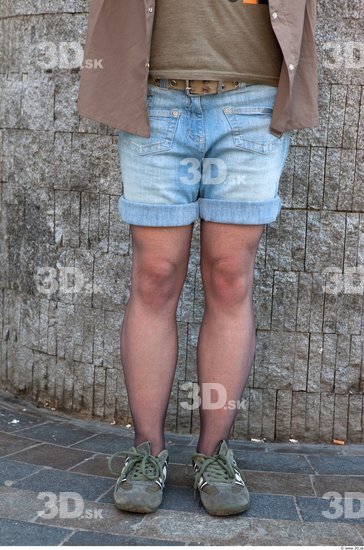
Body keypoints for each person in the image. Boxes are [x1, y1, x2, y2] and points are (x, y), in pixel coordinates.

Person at [77, 0, 319, 516]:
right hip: (154, 98)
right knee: (155, 277)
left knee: (231, 279)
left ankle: (214, 454)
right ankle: (148, 452)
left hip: (253, 99)